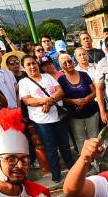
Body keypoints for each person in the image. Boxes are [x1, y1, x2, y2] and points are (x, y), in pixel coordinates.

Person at [18, 55, 74, 183]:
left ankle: (73, 168)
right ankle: (56, 174)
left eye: (34, 63)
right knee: (50, 148)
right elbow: (27, 100)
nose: (32, 66)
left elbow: (60, 92)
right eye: (28, 65)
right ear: (24, 68)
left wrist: (49, 101)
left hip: (58, 117)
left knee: (65, 145)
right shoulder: (24, 82)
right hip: (41, 121)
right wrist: (45, 100)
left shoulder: (48, 77)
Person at [57, 52, 99, 151]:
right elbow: (61, 98)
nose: (68, 64)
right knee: (80, 139)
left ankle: (97, 161)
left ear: (73, 61)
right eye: (64, 63)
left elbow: (95, 91)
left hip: (91, 111)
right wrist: (73, 101)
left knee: (94, 137)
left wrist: (86, 100)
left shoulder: (84, 75)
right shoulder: (61, 80)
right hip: (75, 115)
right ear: (60, 65)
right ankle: (85, 162)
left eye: (69, 61)